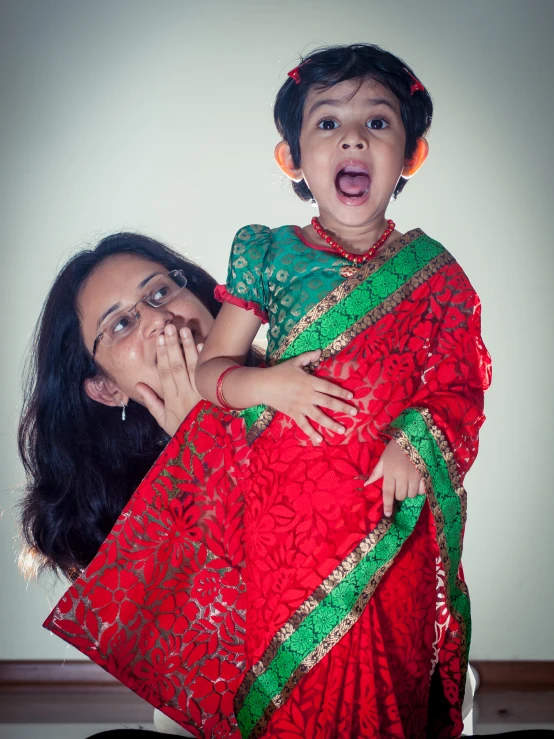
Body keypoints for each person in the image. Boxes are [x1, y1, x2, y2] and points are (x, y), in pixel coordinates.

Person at [192, 43, 492, 738]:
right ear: (291, 158)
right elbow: (212, 373)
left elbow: (459, 382)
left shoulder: (435, 274)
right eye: (327, 123)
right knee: (289, 681)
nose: (353, 136)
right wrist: (268, 382)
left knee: (389, 666)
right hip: (283, 520)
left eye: (378, 123)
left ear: (411, 155)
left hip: (389, 517)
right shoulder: (267, 253)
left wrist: (415, 444)